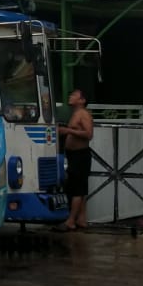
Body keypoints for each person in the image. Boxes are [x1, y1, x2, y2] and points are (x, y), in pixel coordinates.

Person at [56, 88, 94, 231]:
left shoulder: (83, 114)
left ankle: (70, 221)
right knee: (79, 188)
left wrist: (68, 131)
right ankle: (81, 219)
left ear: (82, 100)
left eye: (74, 95)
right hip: (72, 155)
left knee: (77, 189)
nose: (70, 96)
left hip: (80, 155)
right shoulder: (75, 114)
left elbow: (89, 134)